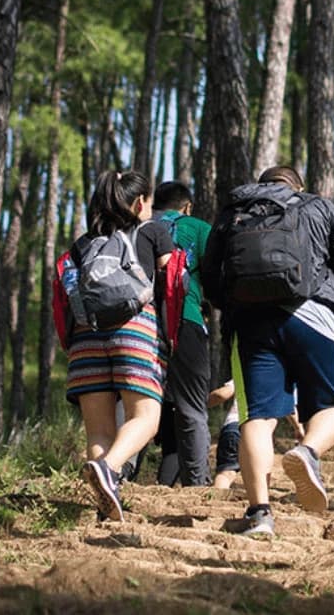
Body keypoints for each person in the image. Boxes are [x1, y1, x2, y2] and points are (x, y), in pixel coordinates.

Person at [207, 166, 334, 537]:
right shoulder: (319, 207)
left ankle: (260, 514)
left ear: (261, 188)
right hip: (314, 317)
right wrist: (323, 298)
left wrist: (238, 305)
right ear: (298, 186)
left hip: (250, 325)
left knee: (256, 417)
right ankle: (307, 451)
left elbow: (211, 277)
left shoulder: (233, 212)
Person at [65, 170, 174, 521]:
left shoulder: (82, 243)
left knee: (99, 429)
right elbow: (171, 282)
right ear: (141, 202)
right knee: (146, 418)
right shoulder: (152, 230)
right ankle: (110, 471)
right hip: (135, 330)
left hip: (86, 337)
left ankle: (104, 506)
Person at [152, 181, 213, 488]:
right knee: (191, 406)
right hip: (184, 319)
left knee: (146, 406)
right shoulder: (197, 227)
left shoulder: (139, 226)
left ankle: (119, 477)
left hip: (138, 327)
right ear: (186, 206)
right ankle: (198, 486)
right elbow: (216, 278)